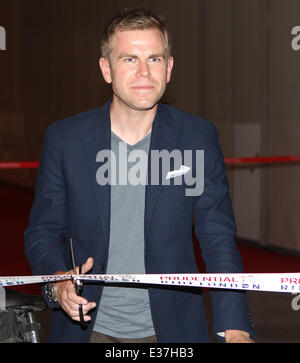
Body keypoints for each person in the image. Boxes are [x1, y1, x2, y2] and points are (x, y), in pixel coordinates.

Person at [24, 7, 254, 343]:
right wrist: (59, 279)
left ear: (169, 67)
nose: (144, 72)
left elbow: (216, 235)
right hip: (88, 329)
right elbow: (42, 231)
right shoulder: (65, 140)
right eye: (130, 59)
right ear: (107, 69)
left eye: (155, 59)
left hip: (171, 333)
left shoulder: (197, 137)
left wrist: (235, 327)